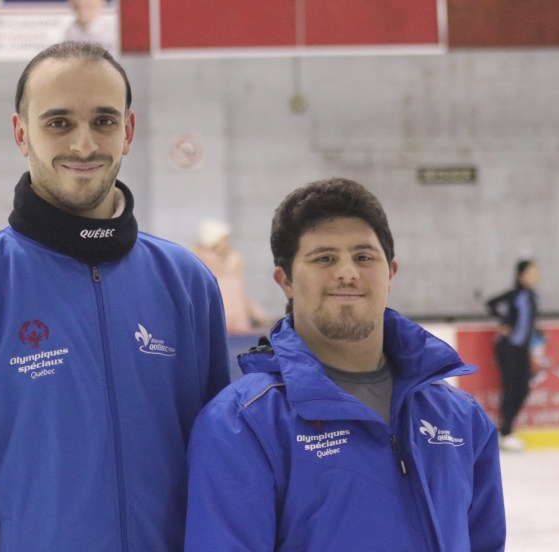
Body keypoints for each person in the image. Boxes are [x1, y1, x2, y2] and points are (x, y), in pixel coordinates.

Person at [0, 41, 231, 551]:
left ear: (128, 131)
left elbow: (222, 465)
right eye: (58, 123)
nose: (83, 145)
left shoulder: (186, 283)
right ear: (21, 134)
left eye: (103, 120)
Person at [185, 178, 506, 551]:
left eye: (364, 257)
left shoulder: (460, 417)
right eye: (324, 258)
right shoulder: (242, 424)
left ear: (391, 273)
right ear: (285, 280)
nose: (347, 272)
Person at [486, 259, 540, 452]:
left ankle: (507, 428)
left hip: (522, 348)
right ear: (520, 275)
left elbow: (530, 322)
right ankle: (506, 431)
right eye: (531, 273)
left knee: (523, 388)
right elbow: (491, 303)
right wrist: (504, 323)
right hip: (507, 347)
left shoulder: (533, 296)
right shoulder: (515, 295)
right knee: (510, 388)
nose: (535, 277)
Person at [191, 218, 271, 334]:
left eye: (227, 239)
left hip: (239, 322)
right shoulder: (199, 264)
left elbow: (242, 294)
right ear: (213, 241)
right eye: (223, 239)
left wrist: (259, 314)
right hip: (214, 321)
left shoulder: (235, 261)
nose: (226, 243)